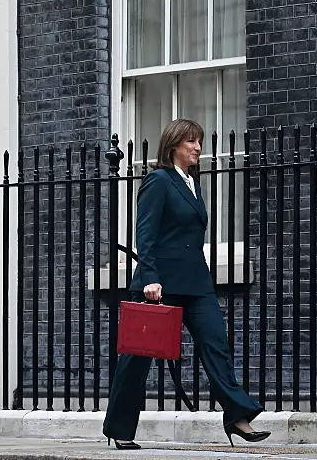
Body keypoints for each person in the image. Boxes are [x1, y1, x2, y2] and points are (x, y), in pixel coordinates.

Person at [102, 118, 270, 450]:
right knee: (136, 359)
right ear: (174, 145)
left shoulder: (194, 182)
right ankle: (119, 428)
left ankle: (237, 417)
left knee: (216, 345)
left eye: (199, 142)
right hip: (159, 284)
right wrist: (149, 278)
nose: (198, 147)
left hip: (196, 282)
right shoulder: (158, 181)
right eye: (191, 141)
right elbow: (145, 234)